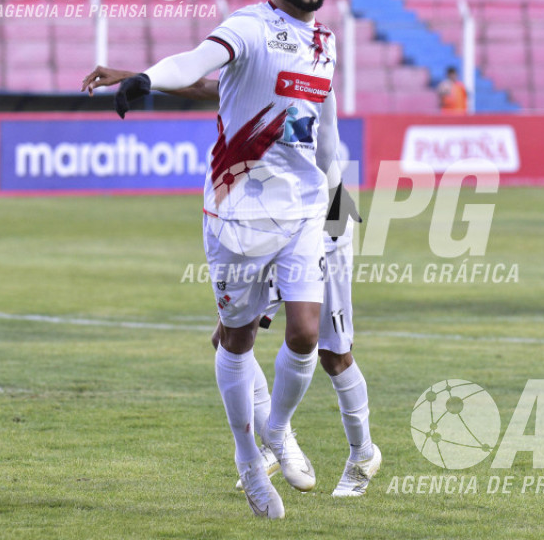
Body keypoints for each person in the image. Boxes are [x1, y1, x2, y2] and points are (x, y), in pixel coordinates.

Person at [105, 0, 357, 520]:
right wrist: (148, 77)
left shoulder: (325, 41)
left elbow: (327, 130)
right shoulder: (249, 25)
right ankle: (248, 459)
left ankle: (277, 430)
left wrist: (339, 206)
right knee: (236, 337)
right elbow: (197, 61)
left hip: (301, 210)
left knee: (303, 332)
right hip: (237, 214)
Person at [81, 65, 381, 498]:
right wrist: (139, 77)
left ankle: (362, 454)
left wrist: (330, 227)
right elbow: (204, 83)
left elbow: (327, 162)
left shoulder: (309, 77)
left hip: (321, 222)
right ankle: (278, 443)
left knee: (333, 354)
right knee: (227, 339)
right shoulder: (255, 77)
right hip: (267, 224)